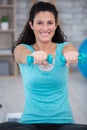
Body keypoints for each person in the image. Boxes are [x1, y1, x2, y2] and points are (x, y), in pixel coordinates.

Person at [0, 1, 87, 130]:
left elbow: (70, 49)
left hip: (64, 123)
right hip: (29, 123)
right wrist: (32, 57)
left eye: (50, 23)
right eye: (40, 23)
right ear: (31, 25)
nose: (45, 28)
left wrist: (71, 54)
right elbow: (20, 54)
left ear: (56, 25)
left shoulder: (63, 47)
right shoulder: (23, 48)